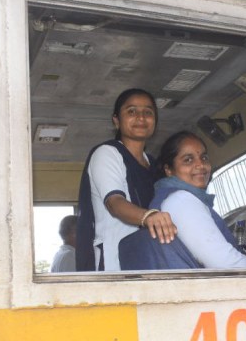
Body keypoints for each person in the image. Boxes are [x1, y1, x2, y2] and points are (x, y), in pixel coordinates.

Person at [120, 131, 246, 270]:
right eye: (188, 159)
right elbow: (224, 263)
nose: (200, 165)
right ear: (168, 170)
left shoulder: (171, 199)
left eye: (204, 158)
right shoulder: (180, 200)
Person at [76, 88, 177, 271]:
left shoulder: (154, 164)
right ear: (116, 120)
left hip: (149, 259)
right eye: (131, 111)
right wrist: (148, 216)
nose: (140, 117)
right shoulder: (107, 153)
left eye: (148, 112)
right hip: (114, 262)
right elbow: (115, 203)